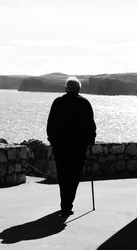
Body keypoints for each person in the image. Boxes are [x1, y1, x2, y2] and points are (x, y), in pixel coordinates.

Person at [47, 76, 96, 217]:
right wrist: (90, 140)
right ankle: (68, 205)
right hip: (78, 147)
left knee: (63, 175)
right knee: (74, 176)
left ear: (65, 89)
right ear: (79, 89)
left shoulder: (58, 102)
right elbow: (90, 126)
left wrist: (52, 141)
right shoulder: (84, 103)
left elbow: (51, 125)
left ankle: (65, 205)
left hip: (61, 146)